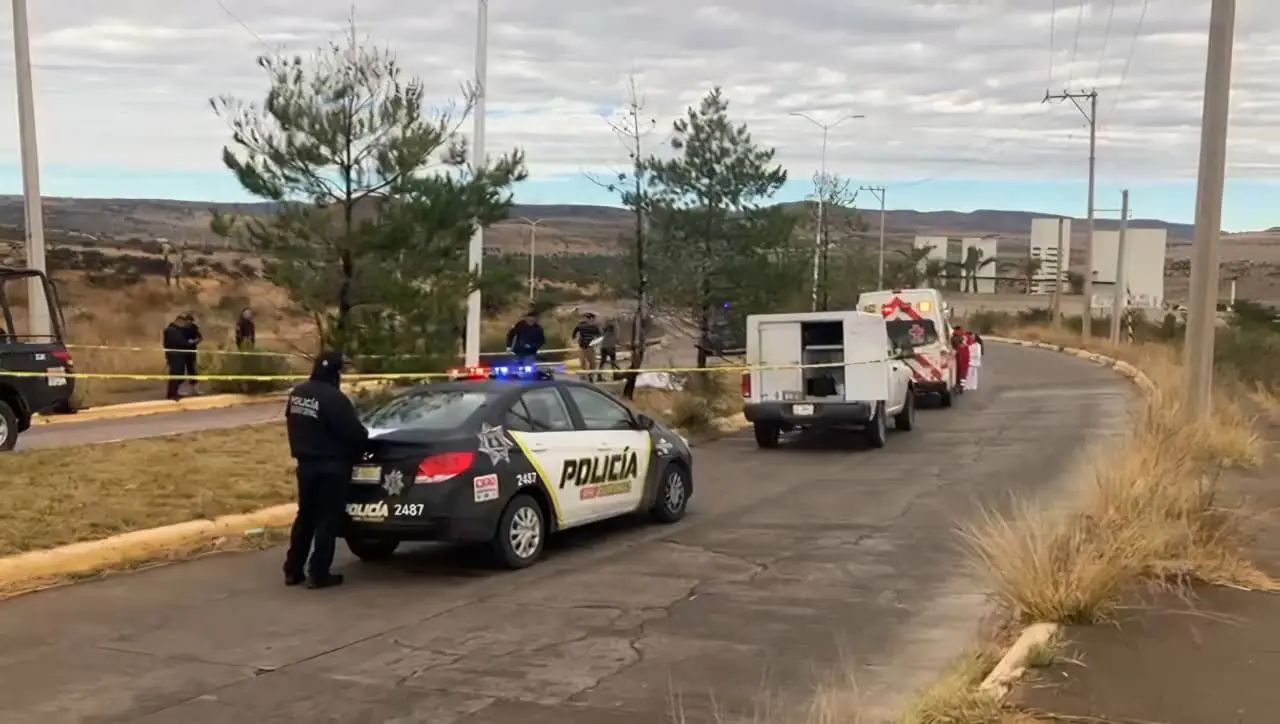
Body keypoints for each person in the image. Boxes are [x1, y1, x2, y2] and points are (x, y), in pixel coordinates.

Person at [283, 350, 369, 589]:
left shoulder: (298, 394)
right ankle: (319, 572)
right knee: (328, 519)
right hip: (331, 466)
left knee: (305, 517)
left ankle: (293, 569)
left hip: (305, 465)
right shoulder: (334, 399)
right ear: (335, 371)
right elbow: (354, 433)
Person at [163, 312, 201, 400]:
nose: (185, 324)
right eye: (184, 321)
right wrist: (190, 342)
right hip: (175, 356)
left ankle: (173, 393)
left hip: (180, 356)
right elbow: (182, 343)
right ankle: (172, 394)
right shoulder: (172, 330)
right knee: (176, 374)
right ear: (179, 320)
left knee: (179, 375)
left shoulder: (179, 330)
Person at [572, 312, 601, 379]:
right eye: (588, 318)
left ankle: (590, 376)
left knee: (592, 363)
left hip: (590, 347)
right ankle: (584, 377)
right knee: (583, 362)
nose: (589, 320)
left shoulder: (595, 327)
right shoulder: (581, 325)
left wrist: (595, 341)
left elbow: (600, 336)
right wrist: (574, 338)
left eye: (590, 319)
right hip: (583, 347)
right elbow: (574, 332)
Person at [951, 326, 971, 392]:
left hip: (958, 355)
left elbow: (953, 345)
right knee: (964, 371)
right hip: (966, 355)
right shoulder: (967, 335)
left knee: (957, 371)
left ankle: (957, 385)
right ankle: (962, 386)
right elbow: (970, 343)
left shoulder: (955, 335)